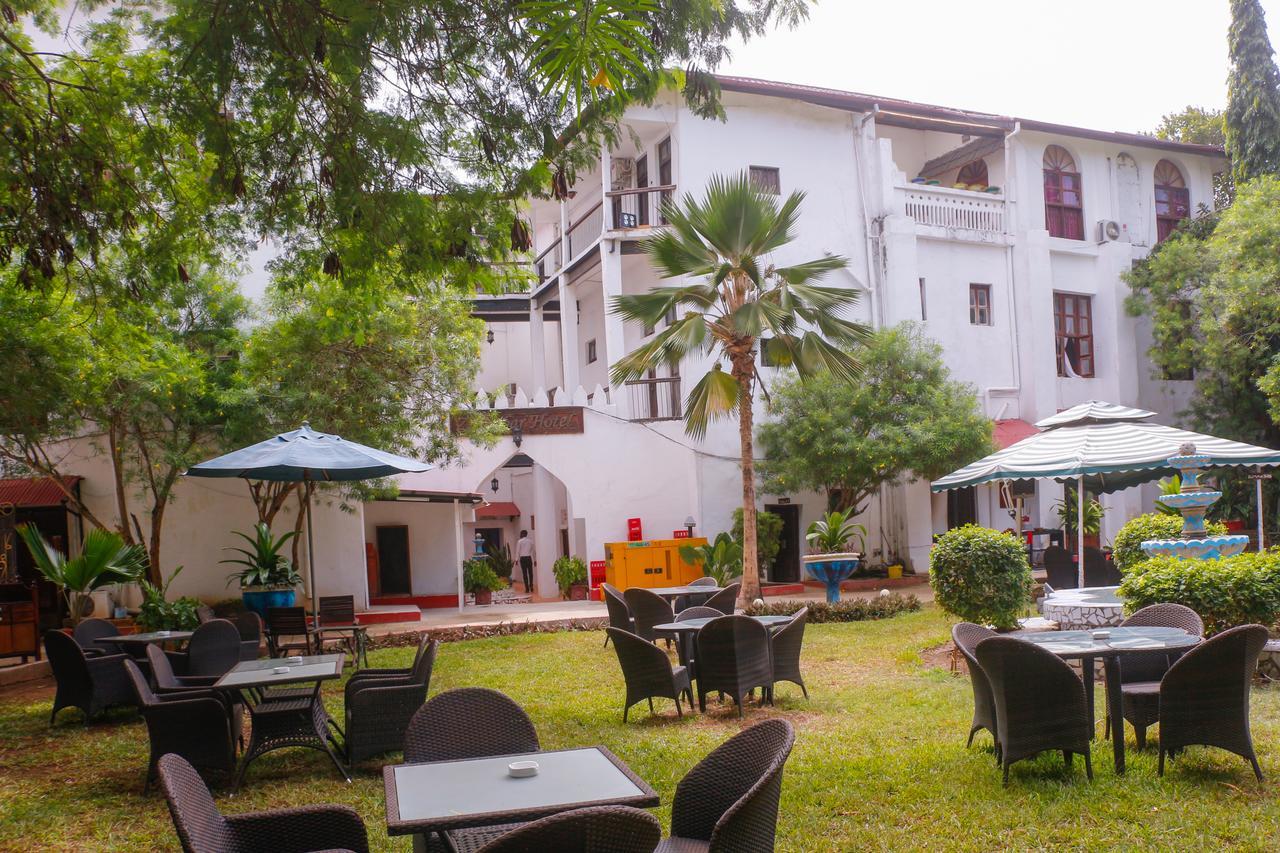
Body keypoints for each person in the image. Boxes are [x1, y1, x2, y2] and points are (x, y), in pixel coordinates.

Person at [516, 530, 535, 594]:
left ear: (522, 534)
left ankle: (527, 588)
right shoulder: (530, 541)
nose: (520, 535)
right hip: (529, 558)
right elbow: (533, 551)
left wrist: (516, 560)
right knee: (530, 573)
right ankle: (531, 587)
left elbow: (517, 551)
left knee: (525, 574)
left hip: (523, 559)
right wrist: (534, 560)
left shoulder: (519, 541)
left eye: (521, 533)